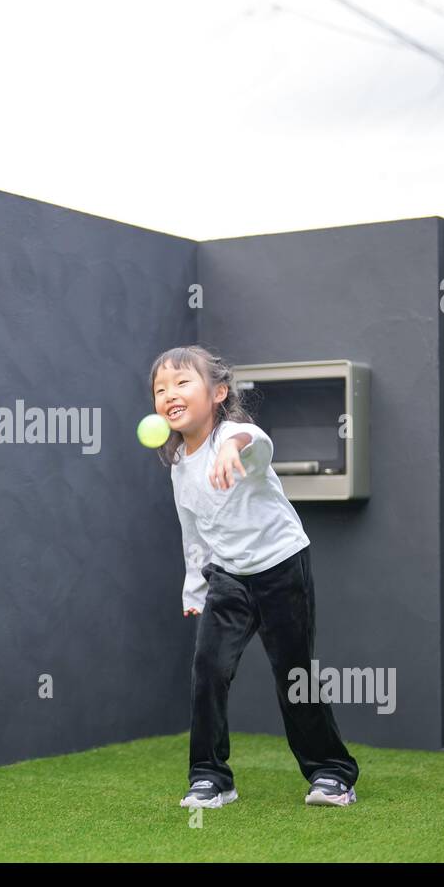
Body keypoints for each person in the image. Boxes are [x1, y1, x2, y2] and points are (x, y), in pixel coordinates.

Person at [149, 344, 360, 808]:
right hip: (227, 577)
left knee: (294, 674)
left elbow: (258, 442)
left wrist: (228, 446)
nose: (169, 394)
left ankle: (331, 774)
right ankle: (210, 777)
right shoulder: (180, 465)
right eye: (160, 388)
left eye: (182, 382)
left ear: (219, 392)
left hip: (281, 565)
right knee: (208, 670)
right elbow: (194, 530)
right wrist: (194, 588)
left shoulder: (240, 438)